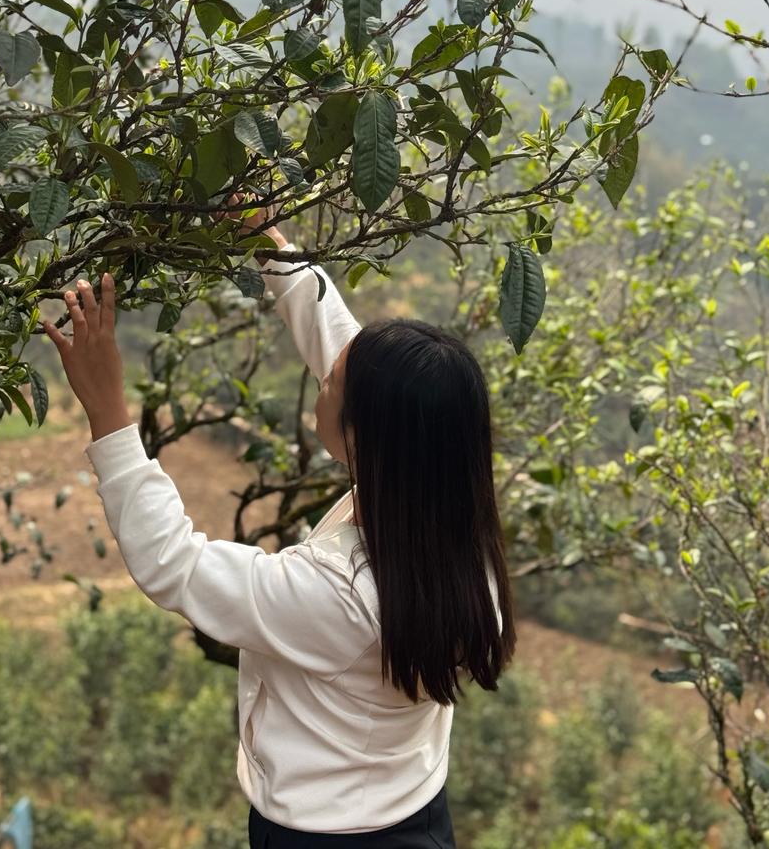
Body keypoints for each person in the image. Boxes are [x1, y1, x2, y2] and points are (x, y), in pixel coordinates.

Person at [42, 207, 517, 847]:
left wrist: (108, 412)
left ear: (363, 436)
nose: (323, 378)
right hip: (413, 811)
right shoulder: (446, 514)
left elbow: (175, 565)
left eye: (333, 387)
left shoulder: (340, 592)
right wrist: (269, 243)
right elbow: (343, 349)